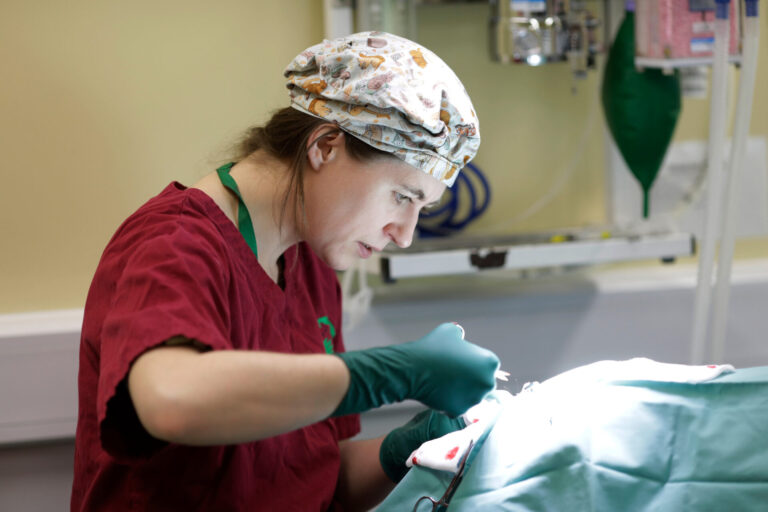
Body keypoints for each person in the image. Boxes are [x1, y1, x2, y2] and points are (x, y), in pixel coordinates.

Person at [71, 31, 500, 511]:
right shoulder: (174, 246)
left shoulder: (309, 262)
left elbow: (315, 477)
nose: (403, 234)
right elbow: (170, 400)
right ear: (325, 145)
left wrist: (403, 453)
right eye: (403, 196)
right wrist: (391, 375)